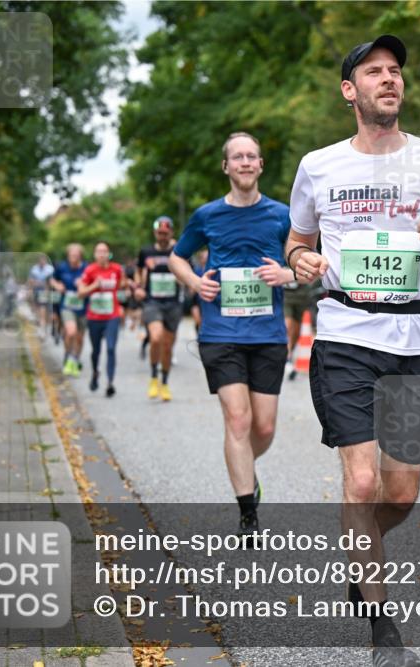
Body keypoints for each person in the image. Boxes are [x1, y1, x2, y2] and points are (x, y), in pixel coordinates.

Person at [286, 35, 420, 667]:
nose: (388, 79)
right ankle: (384, 634)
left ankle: (360, 550)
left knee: (399, 495)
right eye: (374, 71)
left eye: (395, 70)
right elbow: (295, 243)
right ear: (350, 90)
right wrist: (302, 260)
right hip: (345, 336)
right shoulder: (319, 166)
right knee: (362, 479)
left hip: (417, 341)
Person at [169, 131, 295, 539]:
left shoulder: (282, 215)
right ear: (226, 166)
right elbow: (176, 257)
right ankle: (247, 513)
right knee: (238, 419)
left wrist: (286, 274)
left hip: (268, 333)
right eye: (237, 157)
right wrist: (194, 282)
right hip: (220, 331)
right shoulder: (207, 216)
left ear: (260, 165)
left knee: (264, 428)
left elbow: (309, 260)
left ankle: (244, 468)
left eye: (251, 156)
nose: (244, 162)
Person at [137, 217, 182, 402]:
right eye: (159, 233)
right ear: (155, 233)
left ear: (171, 233)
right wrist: (138, 288)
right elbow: (139, 271)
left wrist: (183, 279)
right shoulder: (146, 252)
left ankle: (164, 382)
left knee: (167, 346)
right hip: (152, 302)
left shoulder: (179, 251)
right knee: (156, 338)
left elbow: (188, 271)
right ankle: (153, 377)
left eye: (165, 233)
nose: (162, 236)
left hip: (173, 303)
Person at [76, 242, 125, 397]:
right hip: (94, 317)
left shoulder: (116, 269)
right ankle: (95, 372)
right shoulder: (90, 270)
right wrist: (94, 285)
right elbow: (80, 293)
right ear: (95, 254)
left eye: (104, 251)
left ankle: (110, 382)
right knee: (95, 351)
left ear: (109, 254)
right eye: (99, 251)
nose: (102, 254)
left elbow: (122, 284)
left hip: (112, 316)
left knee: (111, 348)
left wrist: (127, 289)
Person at [50, 243, 88, 377]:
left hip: (83, 307)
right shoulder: (62, 267)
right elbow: (52, 280)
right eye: (72, 255)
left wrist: (84, 286)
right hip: (66, 305)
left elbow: (93, 282)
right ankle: (68, 356)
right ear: (68, 255)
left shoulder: (86, 268)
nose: (74, 258)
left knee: (80, 338)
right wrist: (57, 285)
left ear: (80, 256)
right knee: (71, 332)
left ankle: (75, 359)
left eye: (76, 255)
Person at [28, 256, 54, 338]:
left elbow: (52, 282)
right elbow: (31, 281)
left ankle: (44, 328)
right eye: (40, 261)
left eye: (43, 261)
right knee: (39, 311)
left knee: (45, 312)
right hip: (37, 292)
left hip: (47, 292)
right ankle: (42, 328)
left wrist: (42, 284)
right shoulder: (34, 269)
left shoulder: (50, 269)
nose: (42, 262)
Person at [190, 249, 209, 339]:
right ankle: (198, 336)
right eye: (203, 257)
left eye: (207, 257)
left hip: (208, 301)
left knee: (205, 321)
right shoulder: (196, 271)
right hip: (196, 301)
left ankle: (203, 337)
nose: (205, 259)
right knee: (198, 320)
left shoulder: (212, 270)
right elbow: (191, 287)